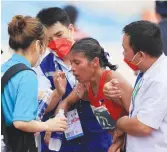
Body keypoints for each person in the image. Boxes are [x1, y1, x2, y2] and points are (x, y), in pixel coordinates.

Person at [36, 7, 113, 152]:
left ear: (70, 29)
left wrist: (114, 137)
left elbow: (108, 96)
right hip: (61, 142)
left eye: (59, 35)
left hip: (97, 136)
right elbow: (43, 108)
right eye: (49, 40)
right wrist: (58, 93)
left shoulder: (94, 53)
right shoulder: (42, 68)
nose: (56, 42)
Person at [1, 15, 67, 152]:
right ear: (37, 45)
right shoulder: (27, 75)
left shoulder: (5, 68)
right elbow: (21, 122)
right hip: (18, 145)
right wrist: (49, 125)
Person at [54, 37, 133, 152]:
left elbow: (140, 120)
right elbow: (65, 103)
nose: (72, 69)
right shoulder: (86, 85)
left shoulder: (113, 80)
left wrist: (118, 143)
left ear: (95, 62)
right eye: (71, 63)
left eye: (77, 62)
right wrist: (55, 128)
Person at [104, 20, 167, 152]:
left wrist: (121, 123)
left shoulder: (160, 80)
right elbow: (138, 109)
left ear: (140, 55)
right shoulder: (148, 72)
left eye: (125, 50)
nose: (123, 54)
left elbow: (142, 126)